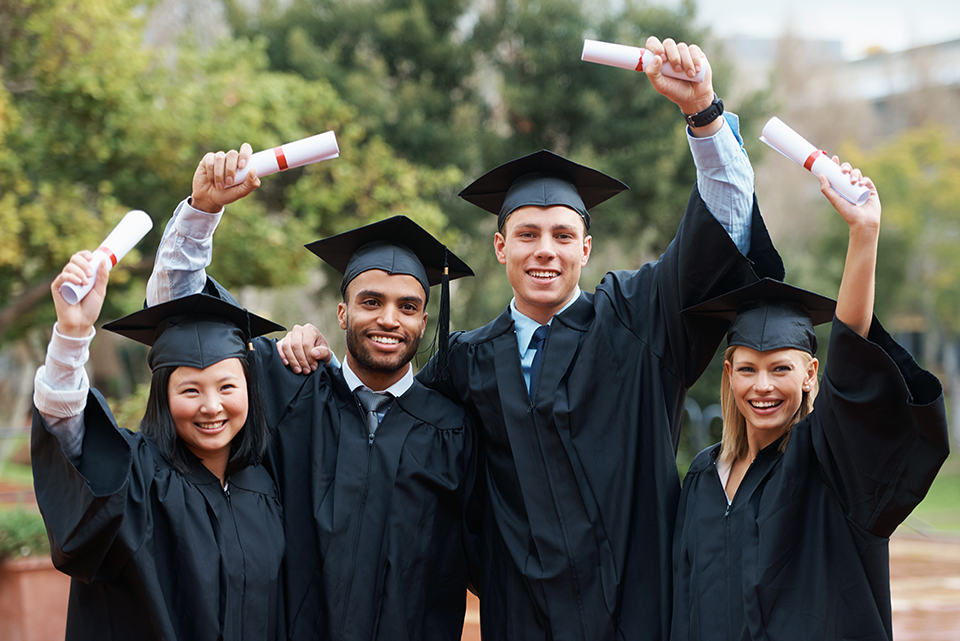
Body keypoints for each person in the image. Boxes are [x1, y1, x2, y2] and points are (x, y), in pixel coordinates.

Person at [280, 37, 785, 640]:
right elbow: (386, 404)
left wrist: (702, 114)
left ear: (585, 249)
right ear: (500, 248)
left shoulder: (637, 321)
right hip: (520, 619)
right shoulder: (467, 361)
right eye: (526, 234)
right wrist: (314, 353)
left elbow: (721, 230)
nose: (545, 249)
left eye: (562, 236)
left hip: (636, 611)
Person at [145, 150, 477, 641]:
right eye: (370, 302)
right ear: (342, 314)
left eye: (407, 307)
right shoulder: (288, 386)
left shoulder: (453, 429)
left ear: (423, 322)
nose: (389, 319)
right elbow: (183, 317)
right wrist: (202, 213)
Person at [672, 164, 949, 640]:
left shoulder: (829, 463)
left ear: (809, 375)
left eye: (781, 368)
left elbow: (852, 363)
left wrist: (864, 234)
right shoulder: (702, 476)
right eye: (747, 369)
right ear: (728, 375)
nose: (762, 386)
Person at [32, 252, 287, 640]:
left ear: (250, 389)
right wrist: (71, 335)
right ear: (163, 397)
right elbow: (68, 429)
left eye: (227, 387)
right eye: (190, 390)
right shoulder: (135, 478)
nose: (212, 406)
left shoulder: (267, 482)